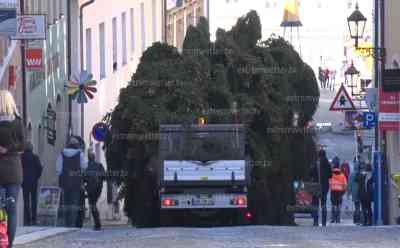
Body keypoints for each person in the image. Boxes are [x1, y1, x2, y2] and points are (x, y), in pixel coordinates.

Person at [0, 90, 25, 248]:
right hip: (14, 171)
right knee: (12, 209)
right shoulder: (18, 122)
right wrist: (9, 149)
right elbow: (23, 145)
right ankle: (8, 244)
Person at [56, 137, 87, 227]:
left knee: (65, 202)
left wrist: (62, 176)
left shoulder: (62, 154)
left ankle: (66, 223)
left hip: (65, 182)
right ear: (76, 145)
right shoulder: (80, 154)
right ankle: (72, 223)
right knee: (74, 203)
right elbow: (84, 166)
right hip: (76, 182)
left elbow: (58, 169)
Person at [21, 142, 43, 226]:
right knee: (34, 200)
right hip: (33, 181)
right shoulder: (35, 157)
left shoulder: (21, 157)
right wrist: (37, 177)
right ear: (32, 148)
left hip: (24, 181)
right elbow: (40, 168)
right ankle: (34, 218)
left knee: (26, 200)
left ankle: (27, 219)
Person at [83, 150, 106, 230]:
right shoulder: (99, 165)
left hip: (90, 189)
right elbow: (104, 177)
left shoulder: (86, 167)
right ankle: (97, 223)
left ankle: (97, 224)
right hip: (98, 188)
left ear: (88, 158)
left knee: (92, 205)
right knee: (93, 204)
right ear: (94, 158)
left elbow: (83, 178)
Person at [311, 149, 332, 226]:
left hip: (316, 186)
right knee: (323, 203)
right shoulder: (327, 163)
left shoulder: (315, 163)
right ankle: (324, 222)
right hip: (324, 186)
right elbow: (330, 175)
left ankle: (315, 221)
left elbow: (310, 173)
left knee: (315, 203)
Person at [348, 159, 362, 225]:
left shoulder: (351, 174)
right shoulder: (361, 173)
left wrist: (349, 193)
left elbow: (349, 184)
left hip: (354, 192)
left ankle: (357, 219)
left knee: (356, 206)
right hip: (361, 191)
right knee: (361, 205)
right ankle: (361, 218)